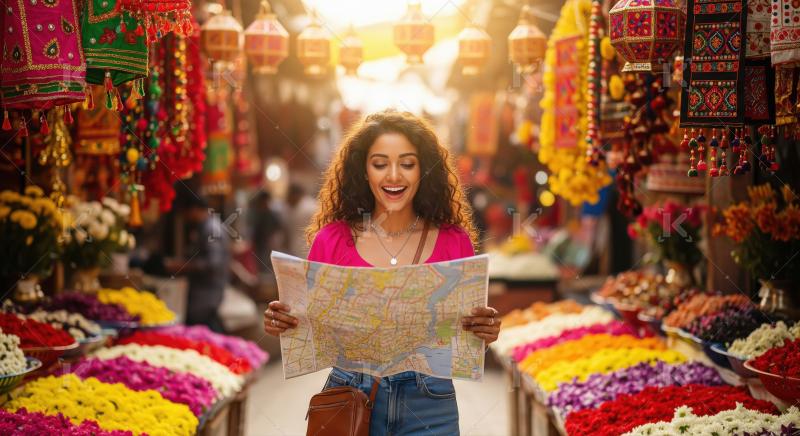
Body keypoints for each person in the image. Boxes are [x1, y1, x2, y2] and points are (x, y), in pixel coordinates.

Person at [263, 110, 501, 435]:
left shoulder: (453, 241)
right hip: (350, 395)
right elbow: (310, 326)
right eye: (379, 164)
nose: (393, 176)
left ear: (424, 170)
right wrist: (284, 324)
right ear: (363, 171)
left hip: (430, 401)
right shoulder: (332, 240)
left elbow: (461, 341)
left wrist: (483, 333)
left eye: (407, 163)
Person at [166, 194, 230, 333]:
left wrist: (182, 266)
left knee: (205, 323)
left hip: (208, 290)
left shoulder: (211, 229)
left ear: (194, 210)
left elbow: (213, 263)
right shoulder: (205, 226)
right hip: (204, 290)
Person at [247, 190, 283, 272]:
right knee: (259, 265)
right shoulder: (255, 213)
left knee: (268, 266)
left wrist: (274, 241)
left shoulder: (272, 214)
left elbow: (278, 229)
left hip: (269, 245)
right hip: (258, 245)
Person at [283, 183, 317, 258]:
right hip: (294, 247)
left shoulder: (310, 206)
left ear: (296, 195)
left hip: (309, 247)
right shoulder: (289, 207)